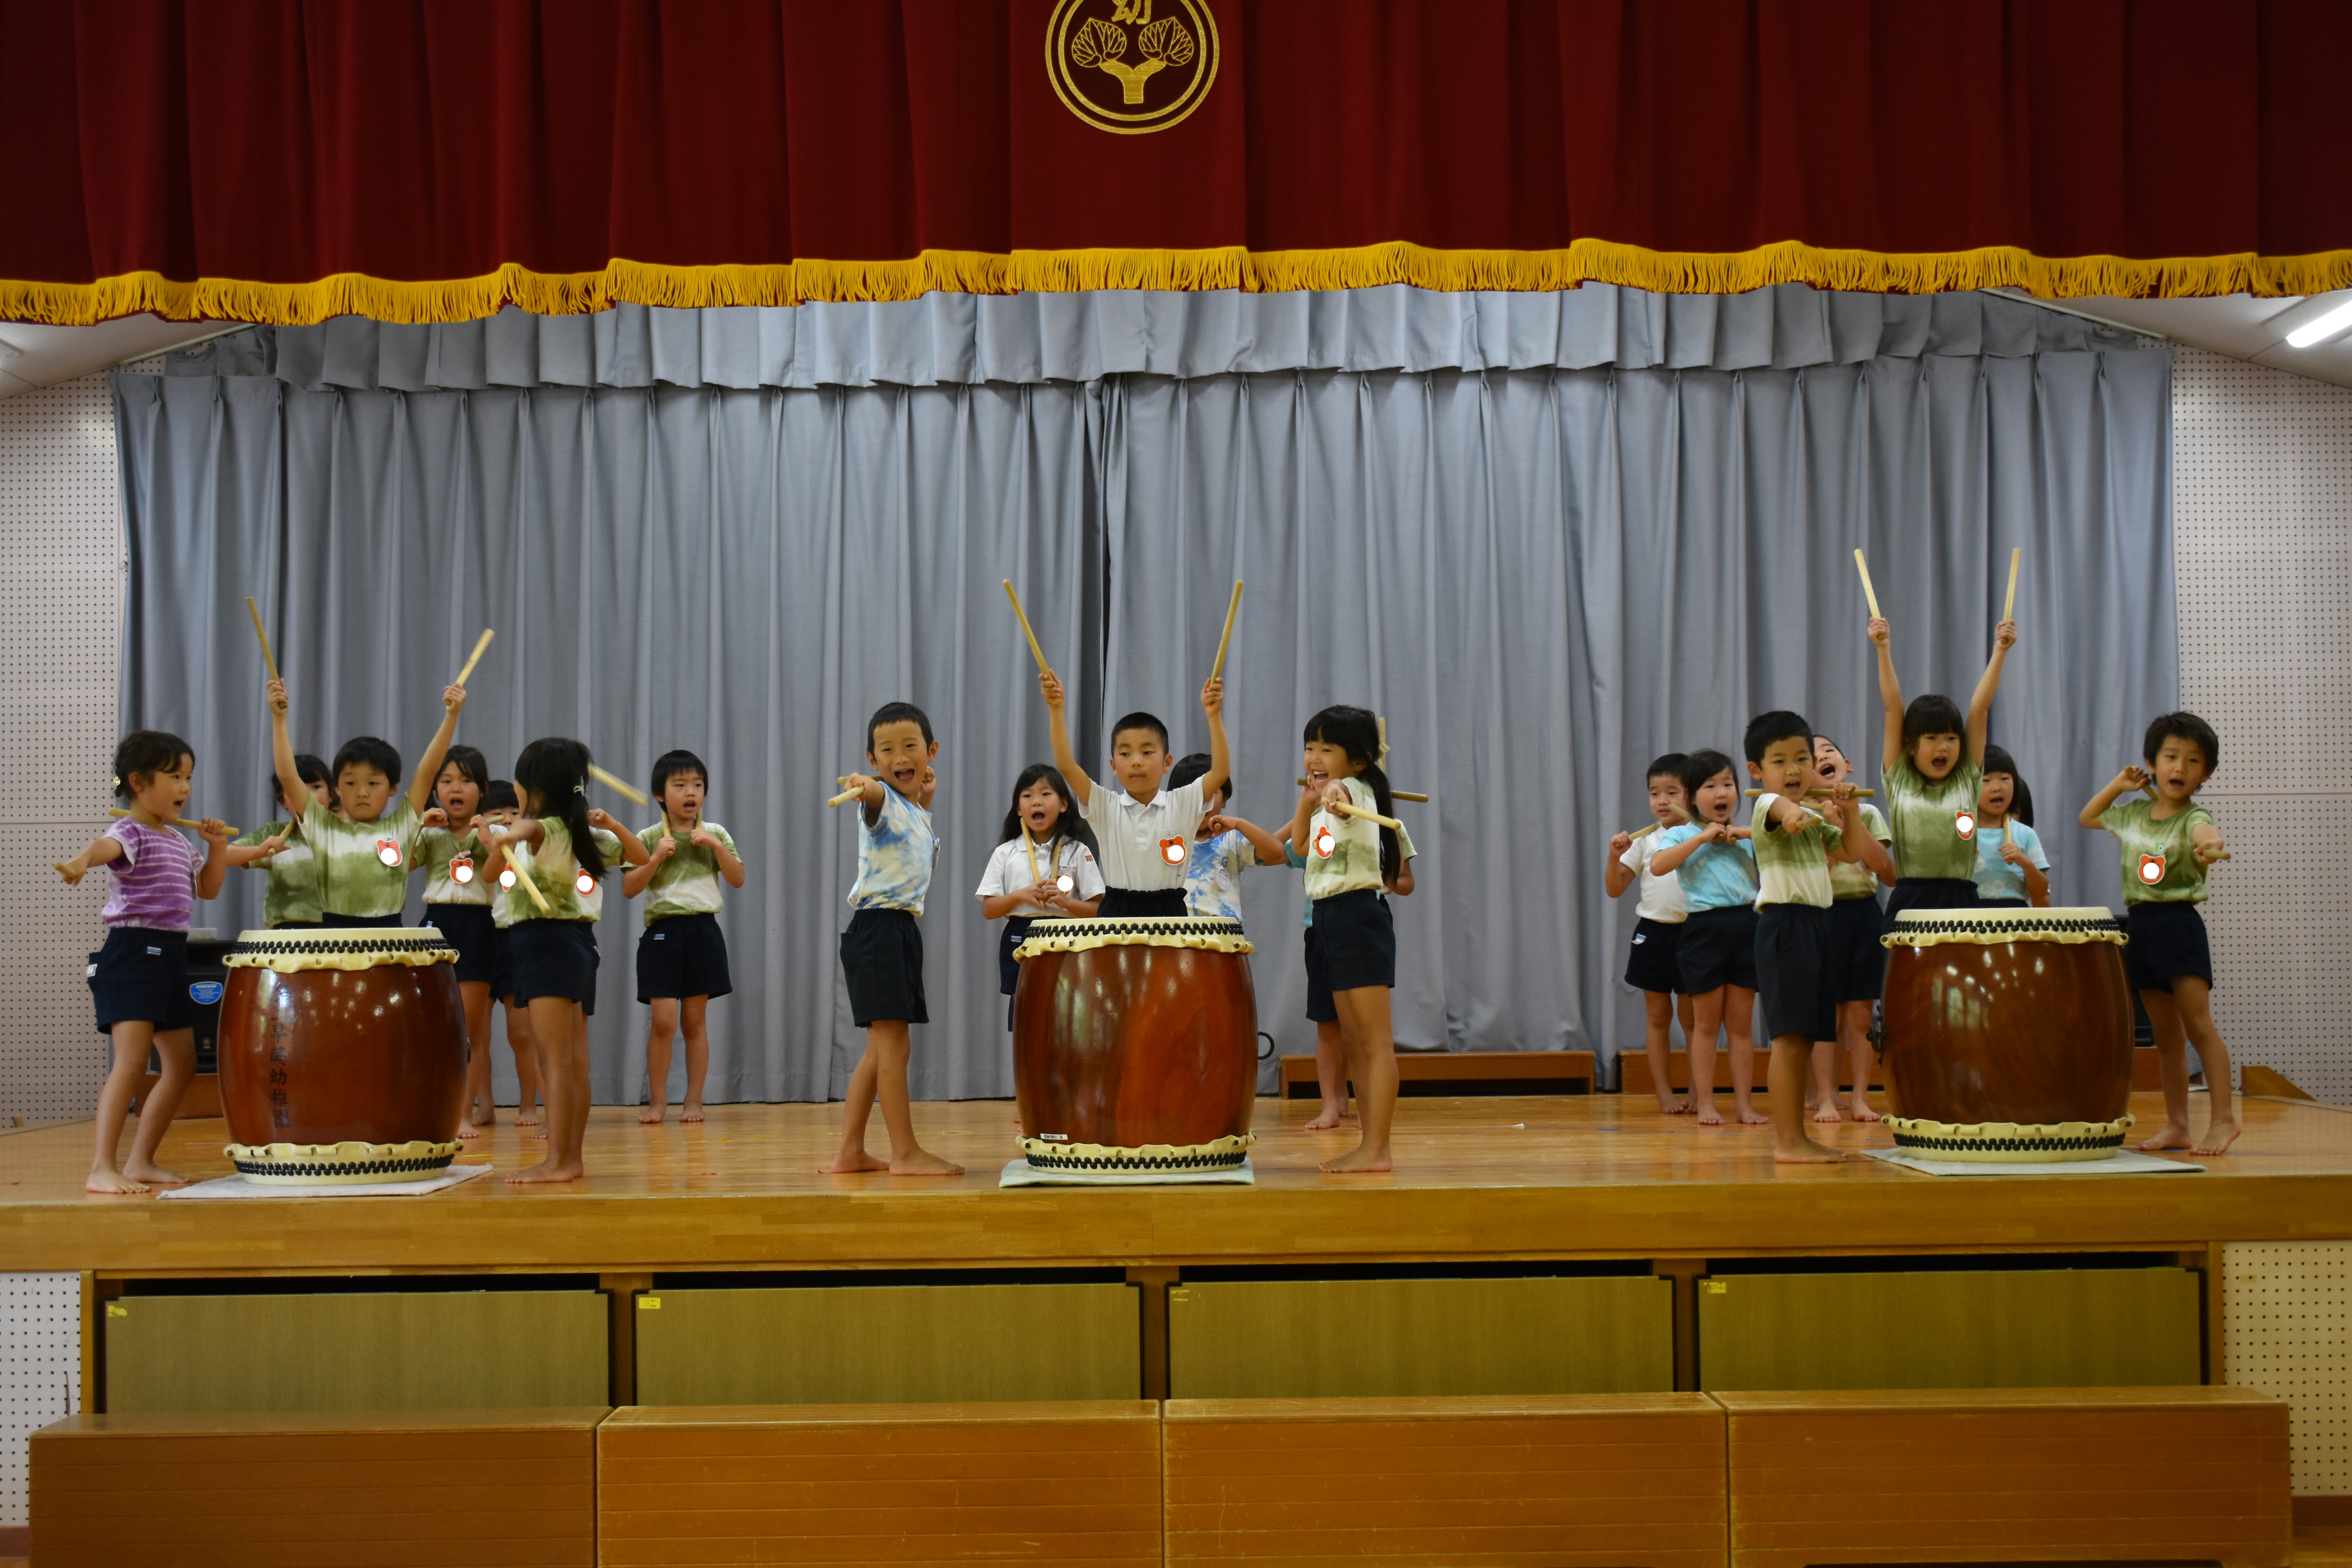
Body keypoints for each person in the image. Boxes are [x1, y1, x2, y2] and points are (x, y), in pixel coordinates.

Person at [55, 732, 232, 1192]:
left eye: (189, 777)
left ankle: (140, 1161)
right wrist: (79, 862)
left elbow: (208, 889)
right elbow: (102, 850)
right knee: (132, 1063)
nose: (185, 787)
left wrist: (218, 849)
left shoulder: (176, 839)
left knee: (183, 1065)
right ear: (138, 781)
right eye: (175, 776)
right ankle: (101, 1167)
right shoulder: (128, 831)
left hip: (171, 954)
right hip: (134, 953)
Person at [2079, 712, 2238, 1156]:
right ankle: (2178, 1126)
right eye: (2171, 757)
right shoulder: (2132, 814)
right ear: (2152, 762)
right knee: (2167, 1040)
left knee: (2199, 1026)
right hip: (2142, 927)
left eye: (2193, 761)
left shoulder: (2194, 817)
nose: (2180, 768)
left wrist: (2209, 846)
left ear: (2205, 773)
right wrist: (2118, 784)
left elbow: (2207, 834)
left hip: (2179, 926)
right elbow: (2088, 816)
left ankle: (2224, 1120)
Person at [477, 739, 624, 1183]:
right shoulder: (565, 829)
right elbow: (490, 875)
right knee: (571, 1061)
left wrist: (513, 831)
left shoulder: (547, 828)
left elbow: (529, 832)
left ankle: (560, 1160)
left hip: (547, 944)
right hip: (566, 943)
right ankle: (569, 1157)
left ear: (532, 788)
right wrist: (495, 841)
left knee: (555, 1061)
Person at [829, 701, 960, 1176]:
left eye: (911, 746)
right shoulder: (880, 802)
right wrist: (867, 790)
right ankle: (905, 1153)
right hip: (881, 930)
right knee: (894, 1048)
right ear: (873, 761)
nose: (901, 756)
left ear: (932, 752)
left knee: (880, 1050)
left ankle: (850, 1151)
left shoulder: (913, 809)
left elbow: (911, 834)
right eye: (887, 750)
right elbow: (876, 804)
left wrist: (924, 801)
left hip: (893, 930)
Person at [1286, 706, 1413, 1173]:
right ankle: (1370, 1143)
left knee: (1374, 1043)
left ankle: (1377, 1148)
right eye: (1309, 747)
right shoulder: (1327, 805)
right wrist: (1308, 803)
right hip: (1329, 917)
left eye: (1326, 748)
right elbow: (1301, 850)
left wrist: (1333, 790)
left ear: (1359, 761)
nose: (1313, 757)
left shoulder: (1353, 792)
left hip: (1357, 915)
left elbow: (1342, 789)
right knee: (1356, 1042)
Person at [1744, 711, 1865, 1163]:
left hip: (1817, 926)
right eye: (1780, 761)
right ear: (1757, 770)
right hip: (1785, 927)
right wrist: (1793, 812)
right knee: (1790, 1038)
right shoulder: (1764, 805)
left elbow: (1852, 851)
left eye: (1802, 758)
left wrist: (1849, 813)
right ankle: (1788, 1142)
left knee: (1808, 1038)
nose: (1794, 770)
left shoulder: (1814, 814)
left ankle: (1796, 1138)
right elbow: (1780, 810)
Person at [265, 673, 466, 927]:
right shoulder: (323, 827)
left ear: (393, 788)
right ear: (337, 788)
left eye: (373, 784)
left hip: (389, 941)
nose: (362, 792)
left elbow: (427, 773)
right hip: (334, 940)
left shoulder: (400, 826)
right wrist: (279, 719)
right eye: (351, 783)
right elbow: (287, 776)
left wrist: (451, 717)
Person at [1039, 668, 1229, 918]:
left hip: (1170, 910)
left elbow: (1221, 771)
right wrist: (1056, 709)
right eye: (1126, 754)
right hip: (1116, 910)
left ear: (1167, 762)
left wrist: (1214, 716)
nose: (1136, 761)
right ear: (1114, 766)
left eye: (1147, 752)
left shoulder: (1183, 802)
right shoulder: (1104, 805)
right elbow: (1066, 765)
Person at [1868, 610, 2017, 926]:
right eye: (1932, 737)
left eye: (1952, 737)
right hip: (1910, 899)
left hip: (1961, 899)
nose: (1943, 747)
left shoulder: (1967, 778)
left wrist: (2000, 652)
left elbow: (1979, 709)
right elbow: (1893, 707)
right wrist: (1883, 650)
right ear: (1910, 745)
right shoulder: (1900, 778)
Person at [624, 750, 746, 1124]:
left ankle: (695, 1100)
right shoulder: (646, 837)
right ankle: (658, 1101)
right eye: (680, 785)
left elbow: (738, 879)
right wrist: (656, 858)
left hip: (703, 931)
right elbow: (629, 887)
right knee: (663, 1022)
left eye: (697, 785)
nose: (691, 792)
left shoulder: (716, 833)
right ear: (661, 794)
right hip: (662, 934)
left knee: (695, 1023)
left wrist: (714, 845)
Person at [1646, 750, 1760, 1127]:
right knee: (1707, 1026)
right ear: (1692, 797)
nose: (1721, 792)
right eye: (1710, 786)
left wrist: (1745, 836)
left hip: (1747, 926)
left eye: (1728, 784)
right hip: (1703, 930)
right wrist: (1704, 838)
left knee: (1742, 1027)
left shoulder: (1747, 835)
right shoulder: (1681, 833)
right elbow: (1660, 866)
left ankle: (1745, 1104)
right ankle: (1707, 1103)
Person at [976, 763, 1103, 1029]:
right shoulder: (1006, 853)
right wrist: (1019, 896)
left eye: (1046, 794)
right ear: (1019, 808)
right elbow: (989, 909)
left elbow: (1100, 910)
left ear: (1064, 804)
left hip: (1069, 934)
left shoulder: (1078, 851)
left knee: (1070, 1018)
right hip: (1021, 933)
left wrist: (1067, 903)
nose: (1037, 801)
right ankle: (1029, 1070)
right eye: (1027, 796)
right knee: (1028, 1015)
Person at [1606, 753, 1699, 1113]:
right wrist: (1615, 857)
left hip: (1695, 933)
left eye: (1672, 792)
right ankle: (1663, 1092)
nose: (1662, 801)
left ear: (1690, 795)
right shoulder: (1644, 841)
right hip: (1653, 935)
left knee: (1694, 1020)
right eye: (1654, 793)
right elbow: (1615, 889)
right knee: (1658, 1017)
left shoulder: (1700, 835)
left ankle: (1697, 1091)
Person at [1809, 735, 1896, 1123]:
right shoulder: (1801, 815)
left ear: (1847, 764)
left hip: (1863, 914)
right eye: (1812, 758)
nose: (1822, 757)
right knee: (1827, 1014)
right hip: (1822, 916)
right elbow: (1816, 872)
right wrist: (1830, 826)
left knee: (1861, 1014)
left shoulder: (1870, 813)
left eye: (1828, 750)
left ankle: (1861, 1096)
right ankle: (1826, 1096)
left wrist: (1852, 817)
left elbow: (1888, 873)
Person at [418, 745, 498, 1136]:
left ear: (482, 789)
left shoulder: (494, 832)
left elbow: (500, 874)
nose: (456, 788)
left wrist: (488, 838)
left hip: (478, 924)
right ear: (435, 788)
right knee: (433, 1027)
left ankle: (465, 1113)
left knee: (471, 1029)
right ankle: (436, 1108)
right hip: (435, 924)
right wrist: (417, 826)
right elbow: (393, 863)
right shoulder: (431, 831)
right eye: (447, 780)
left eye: (466, 780)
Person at [480, 780, 546, 1134]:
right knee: (478, 1033)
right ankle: (485, 1105)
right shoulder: (482, 842)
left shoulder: (528, 844)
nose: (507, 819)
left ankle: (528, 1104)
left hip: (516, 936)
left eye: (514, 813)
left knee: (522, 1033)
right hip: (484, 935)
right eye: (497, 813)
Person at [1172, 751, 1286, 922]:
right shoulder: (1167, 841)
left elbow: (1276, 851)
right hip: (1176, 939)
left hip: (1225, 940)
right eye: (1190, 794)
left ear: (1225, 799)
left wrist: (1240, 824)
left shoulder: (1232, 839)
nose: (1201, 802)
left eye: (1210, 794)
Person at [228, 752, 334, 929]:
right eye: (295, 790)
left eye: (316, 787)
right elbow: (224, 857)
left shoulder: (346, 834)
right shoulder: (275, 833)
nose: (306, 797)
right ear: (282, 801)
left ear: (332, 794)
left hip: (336, 932)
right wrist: (259, 851)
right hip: (284, 935)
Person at [1973, 743, 2050, 908]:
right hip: (1967, 918)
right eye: (1986, 780)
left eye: (2005, 779)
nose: (1997, 788)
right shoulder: (1959, 832)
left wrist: (2026, 863)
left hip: (2015, 921)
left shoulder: (2025, 834)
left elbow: (2041, 893)